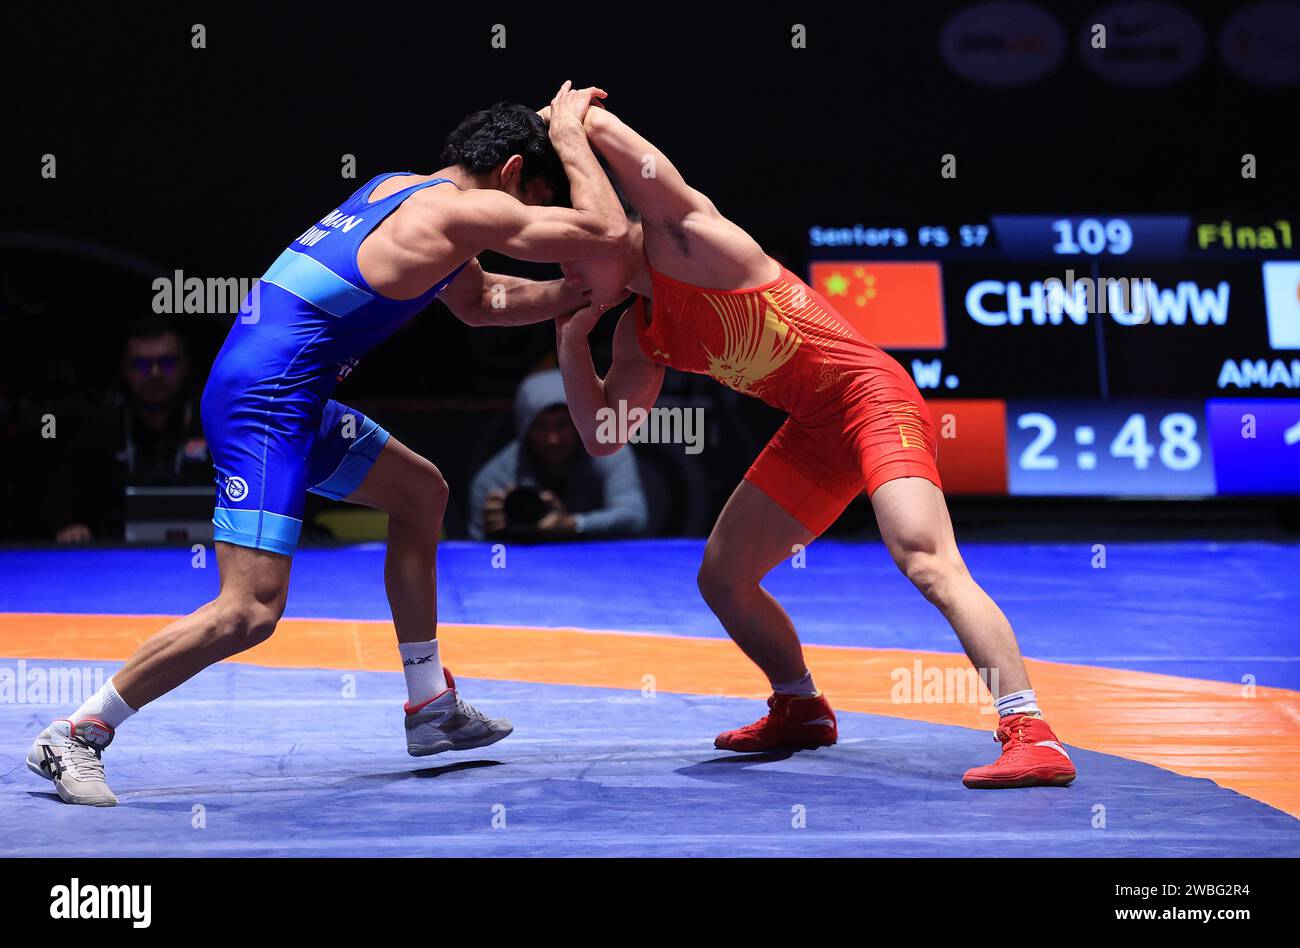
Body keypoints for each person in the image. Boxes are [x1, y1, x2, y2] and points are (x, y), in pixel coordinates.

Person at [27, 83, 630, 806]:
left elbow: (475, 303)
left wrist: (570, 298)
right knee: (249, 609)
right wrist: (568, 131)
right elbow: (606, 232)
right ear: (508, 175)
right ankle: (78, 732)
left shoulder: (402, 191)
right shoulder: (468, 210)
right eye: (534, 200)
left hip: (288, 395)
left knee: (420, 493)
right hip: (266, 404)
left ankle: (429, 705)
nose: (531, 218)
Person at [553, 104, 1076, 789]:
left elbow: (642, 162)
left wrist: (571, 123)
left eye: (571, 251)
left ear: (614, 228)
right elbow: (604, 436)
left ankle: (1031, 731)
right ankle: (800, 705)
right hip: (814, 428)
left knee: (925, 559)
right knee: (723, 577)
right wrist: (568, 342)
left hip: (872, 400)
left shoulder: (688, 240)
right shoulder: (635, 335)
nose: (565, 272)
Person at [40, 316, 211, 543]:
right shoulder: (99, 428)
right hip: (113, 561)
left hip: (201, 555)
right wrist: (69, 526)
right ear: (124, 369)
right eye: (141, 365)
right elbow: (62, 499)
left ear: (185, 366)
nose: (155, 373)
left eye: (167, 363)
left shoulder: (214, 425)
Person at [469, 367, 647, 541]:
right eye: (540, 426)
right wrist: (492, 533)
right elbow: (479, 554)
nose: (553, 439)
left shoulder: (609, 450)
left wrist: (572, 524)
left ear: (579, 422)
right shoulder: (494, 479)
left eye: (562, 424)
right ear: (524, 430)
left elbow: (634, 515)